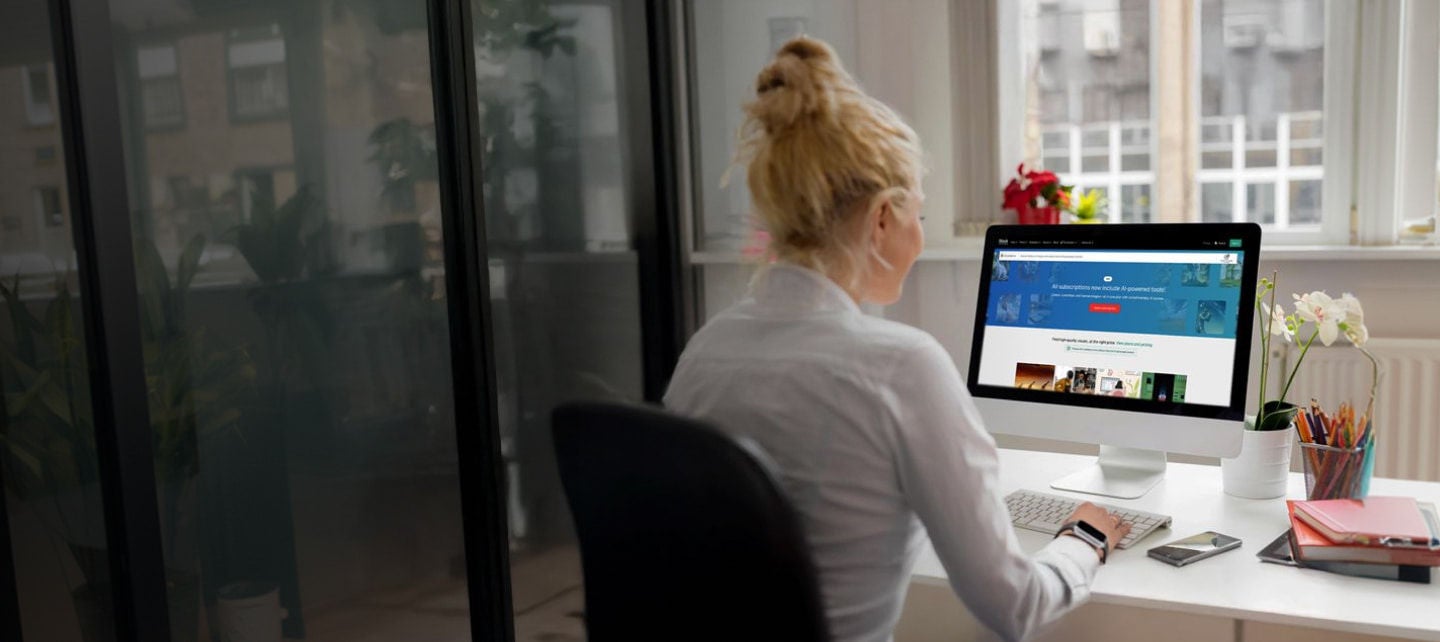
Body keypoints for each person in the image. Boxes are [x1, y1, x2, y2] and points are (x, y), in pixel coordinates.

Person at [663, 37, 1130, 642]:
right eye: (920, 216)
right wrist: (1084, 539)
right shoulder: (900, 368)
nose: (919, 236)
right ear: (884, 218)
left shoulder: (705, 350)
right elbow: (1014, 607)